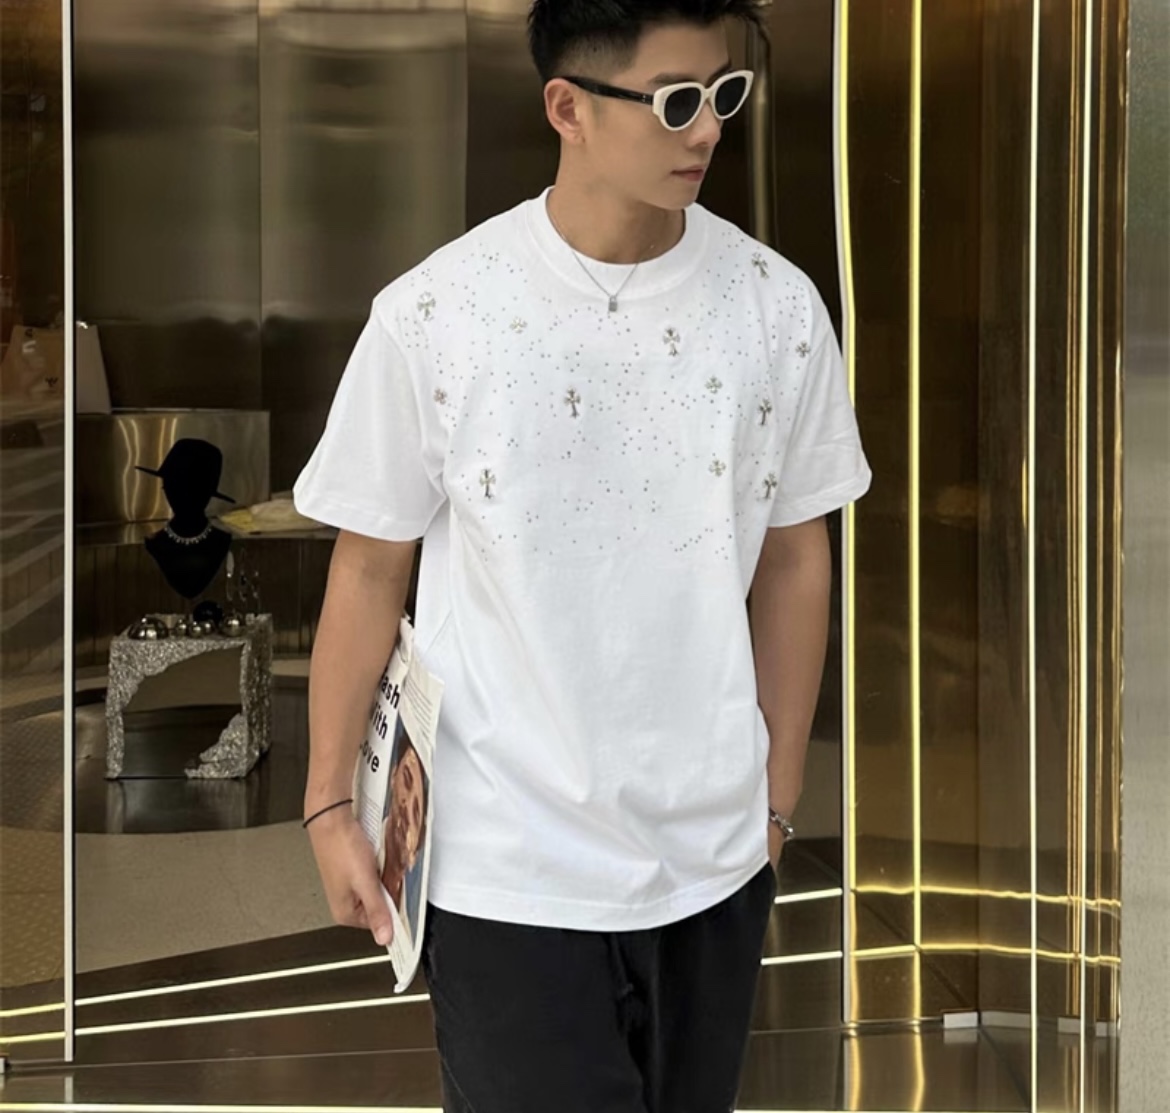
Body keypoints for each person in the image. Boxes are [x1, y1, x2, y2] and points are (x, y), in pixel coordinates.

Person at [294, 0, 871, 1109]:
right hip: (504, 868)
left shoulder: (777, 309)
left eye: (725, 94)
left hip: (714, 862)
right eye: (676, 101)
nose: (708, 129)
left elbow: (796, 558)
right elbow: (369, 569)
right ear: (567, 108)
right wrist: (329, 807)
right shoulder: (439, 313)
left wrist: (777, 797)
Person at [380, 724, 429, 938]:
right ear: (393, 776)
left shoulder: (409, 931)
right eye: (407, 779)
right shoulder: (359, 849)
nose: (405, 806)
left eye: (416, 812)